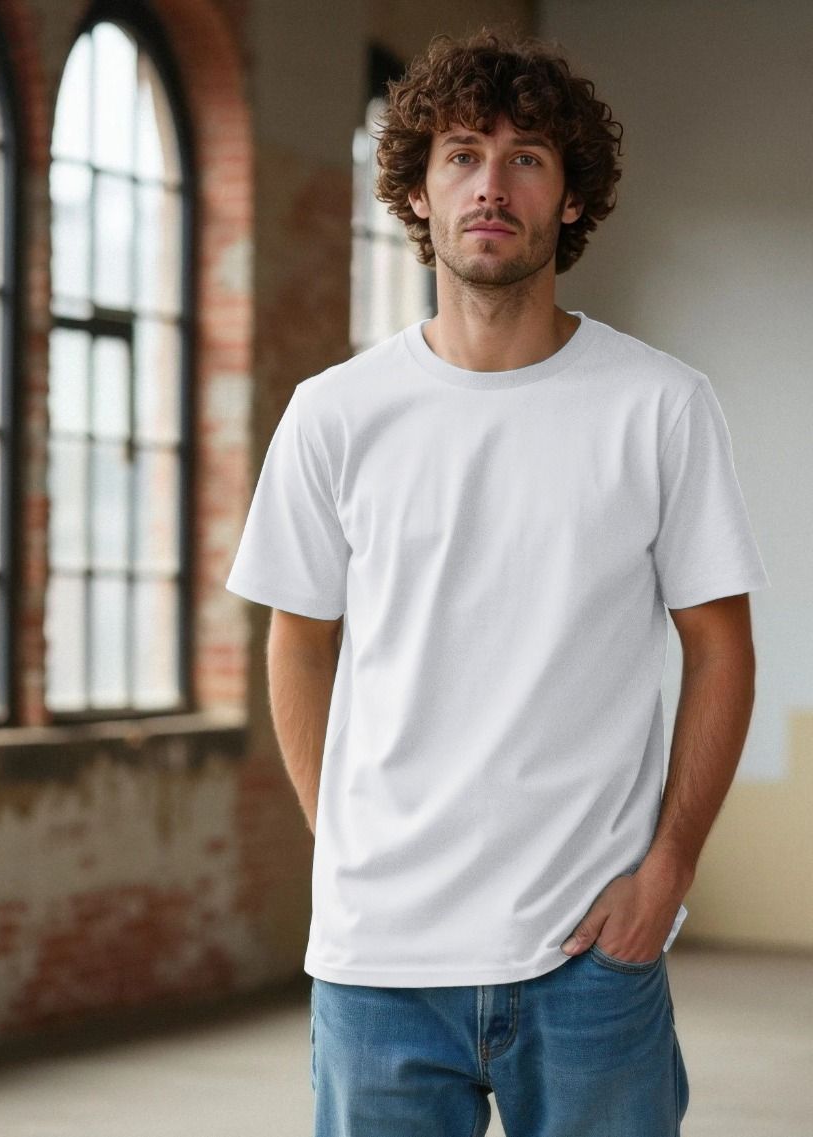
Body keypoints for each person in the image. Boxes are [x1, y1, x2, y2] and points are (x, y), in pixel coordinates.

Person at [225, 27, 770, 1137]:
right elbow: (297, 638)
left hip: (588, 956)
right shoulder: (336, 413)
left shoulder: (661, 406)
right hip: (379, 964)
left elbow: (720, 648)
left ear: (572, 200)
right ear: (417, 192)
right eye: (461, 153)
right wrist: (346, 846)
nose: (490, 183)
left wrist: (667, 871)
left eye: (527, 158)